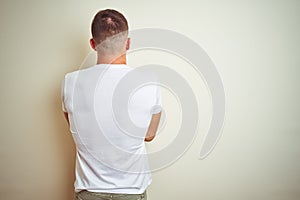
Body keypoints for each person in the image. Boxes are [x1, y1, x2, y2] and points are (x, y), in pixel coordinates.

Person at [61, 9, 162, 200]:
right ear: (128, 43)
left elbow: (77, 128)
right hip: (131, 191)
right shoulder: (149, 82)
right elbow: (149, 135)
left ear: (92, 44)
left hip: (88, 191)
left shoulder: (70, 82)